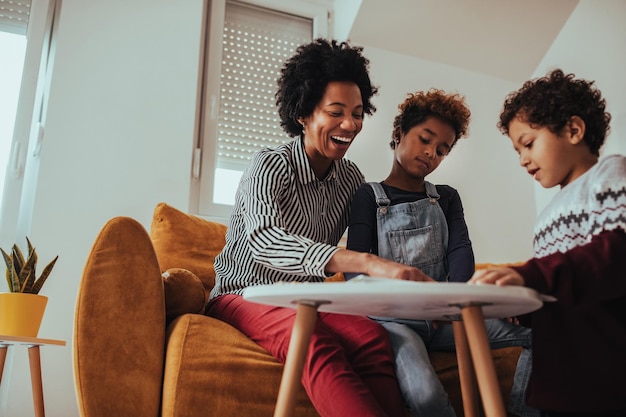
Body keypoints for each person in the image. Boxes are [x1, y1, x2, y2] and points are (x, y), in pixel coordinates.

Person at [207, 38, 433, 417]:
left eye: (358, 113)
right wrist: (362, 262)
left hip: (309, 299)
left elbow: (380, 235)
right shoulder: (268, 165)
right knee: (310, 339)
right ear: (304, 113)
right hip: (243, 295)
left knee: (373, 340)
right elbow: (265, 240)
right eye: (336, 112)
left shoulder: (351, 180)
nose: (351, 125)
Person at [346, 89, 537, 417]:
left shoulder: (447, 198)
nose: (430, 153)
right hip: (395, 322)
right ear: (398, 133)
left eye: (441, 150)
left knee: (541, 332)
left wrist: (453, 303)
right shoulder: (366, 196)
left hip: (447, 316)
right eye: (424, 139)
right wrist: (417, 304)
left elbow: (461, 254)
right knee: (426, 396)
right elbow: (355, 273)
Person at [469, 69, 626, 417]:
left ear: (573, 130)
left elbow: (614, 255)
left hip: (606, 374)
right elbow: (552, 296)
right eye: (517, 150)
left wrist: (531, 275)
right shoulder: (547, 216)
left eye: (528, 143)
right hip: (559, 382)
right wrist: (519, 306)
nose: (523, 159)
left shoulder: (609, 175)